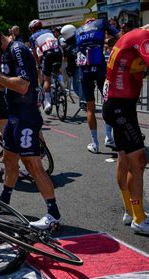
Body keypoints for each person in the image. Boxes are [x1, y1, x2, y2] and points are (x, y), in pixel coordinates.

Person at [0, 18, 62, 229]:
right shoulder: (5, 54)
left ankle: (54, 215)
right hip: (14, 114)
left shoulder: (18, 50)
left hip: (26, 116)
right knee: (9, 161)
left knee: (33, 166)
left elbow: (22, 86)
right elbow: (5, 86)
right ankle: (4, 201)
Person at [102, 25, 149, 234]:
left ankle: (130, 211)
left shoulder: (134, 35)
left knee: (124, 158)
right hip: (120, 106)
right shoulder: (143, 37)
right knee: (138, 162)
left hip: (117, 104)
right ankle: (139, 218)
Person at [75, 18, 120, 153]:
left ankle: (95, 143)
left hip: (85, 71)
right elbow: (119, 37)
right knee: (108, 102)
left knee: (90, 108)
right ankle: (109, 137)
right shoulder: (101, 23)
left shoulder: (79, 31)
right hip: (100, 69)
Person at [28, 19, 63, 115]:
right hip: (58, 53)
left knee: (46, 79)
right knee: (58, 70)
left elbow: (35, 54)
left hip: (48, 54)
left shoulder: (32, 37)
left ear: (32, 29)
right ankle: (61, 85)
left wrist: (38, 65)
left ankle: (47, 103)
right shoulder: (49, 31)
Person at [60, 24, 86, 109]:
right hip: (78, 68)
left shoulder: (74, 44)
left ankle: (85, 101)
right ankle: (86, 100)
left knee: (77, 87)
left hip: (79, 68)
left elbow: (67, 59)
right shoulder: (78, 41)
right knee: (77, 87)